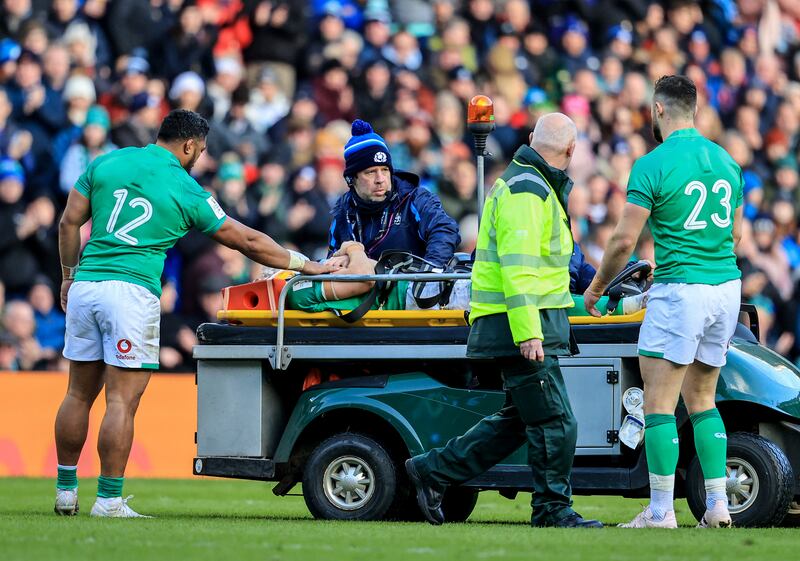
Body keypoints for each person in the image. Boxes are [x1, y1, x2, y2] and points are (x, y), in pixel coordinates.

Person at [54, 109, 330, 518]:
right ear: (188, 146)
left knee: (77, 393)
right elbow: (247, 240)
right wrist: (306, 264)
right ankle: (109, 500)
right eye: (200, 150)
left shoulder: (107, 161)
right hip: (130, 291)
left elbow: (67, 223)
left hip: (86, 285)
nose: (200, 157)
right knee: (120, 403)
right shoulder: (187, 189)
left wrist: (67, 276)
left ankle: (64, 490)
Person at [405, 113, 603, 528]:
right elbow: (519, 268)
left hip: (515, 321)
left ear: (532, 138)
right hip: (521, 326)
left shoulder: (526, 183)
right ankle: (552, 510)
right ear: (570, 151)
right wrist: (529, 332)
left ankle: (432, 471)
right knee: (555, 421)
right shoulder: (529, 188)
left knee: (519, 421)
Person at [583, 76, 744, 529]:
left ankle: (660, 511)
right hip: (726, 287)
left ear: (657, 110)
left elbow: (622, 241)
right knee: (703, 399)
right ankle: (717, 506)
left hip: (681, 289)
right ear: (694, 108)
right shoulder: (727, 161)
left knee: (658, 402)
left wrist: (596, 289)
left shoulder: (652, 164)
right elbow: (735, 235)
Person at [327, 119, 460, 268]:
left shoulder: (416, 199)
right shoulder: (342, 214)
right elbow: (333, 262)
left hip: (411, 288)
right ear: (352, 179)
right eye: (370, 172)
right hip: (363, 290)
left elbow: (444, 230)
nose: (380, 179)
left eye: (385, 170)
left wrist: (428, 275)